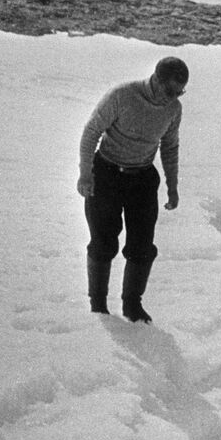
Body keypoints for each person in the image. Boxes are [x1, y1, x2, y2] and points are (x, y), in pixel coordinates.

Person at [77, 56, 189, 321]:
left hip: (142, 180)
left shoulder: (173, 109)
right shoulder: (123, 95)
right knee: (103, 242)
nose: (172, 97)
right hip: (106, 175)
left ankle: (132, 305)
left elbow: (170, 147)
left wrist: (173, 187)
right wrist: (85, 174)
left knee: (142, 246)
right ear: (156, 80)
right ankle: (98, 306)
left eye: (179, 92)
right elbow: (91, 132)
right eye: (169, 90)